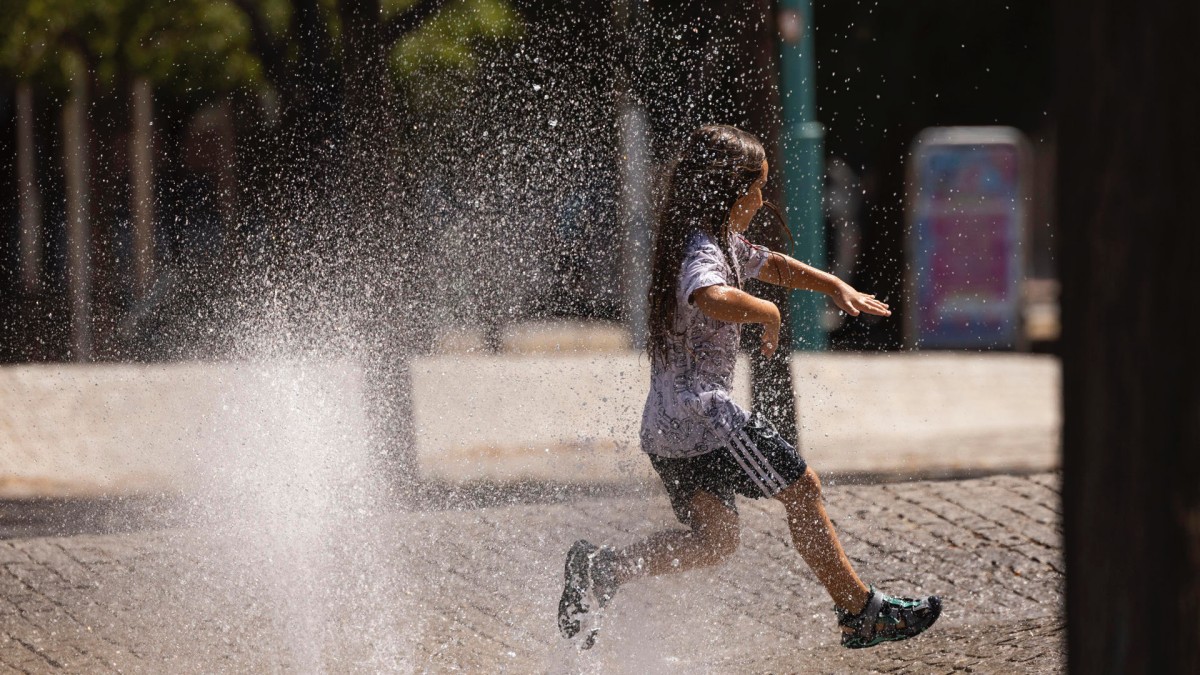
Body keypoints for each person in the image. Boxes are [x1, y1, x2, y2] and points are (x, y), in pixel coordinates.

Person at [556, 124, 941, 651]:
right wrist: (769, 313)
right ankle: (860, 611)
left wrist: (834, 285)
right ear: (727, 191)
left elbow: (773, 264)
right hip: (704, 418)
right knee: (802, 489)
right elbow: (709, 296)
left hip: (667, 429)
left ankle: (602, 569)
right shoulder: (701, 251)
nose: (762, 198)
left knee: (714, 542)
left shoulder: (718, 241)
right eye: (756, 187)